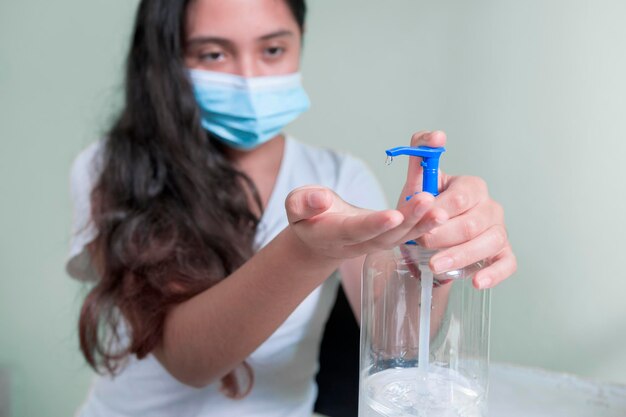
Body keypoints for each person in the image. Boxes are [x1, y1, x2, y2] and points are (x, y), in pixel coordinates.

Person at [66, 0, 517, 416]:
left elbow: (397, 343)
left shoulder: (340, 176)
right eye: (214, 55)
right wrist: (308, 251)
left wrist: (428, 252)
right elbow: (190, 360)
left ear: (299, 45)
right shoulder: (111, 168)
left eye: (273, 49)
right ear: (166, 61)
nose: (250, 77)